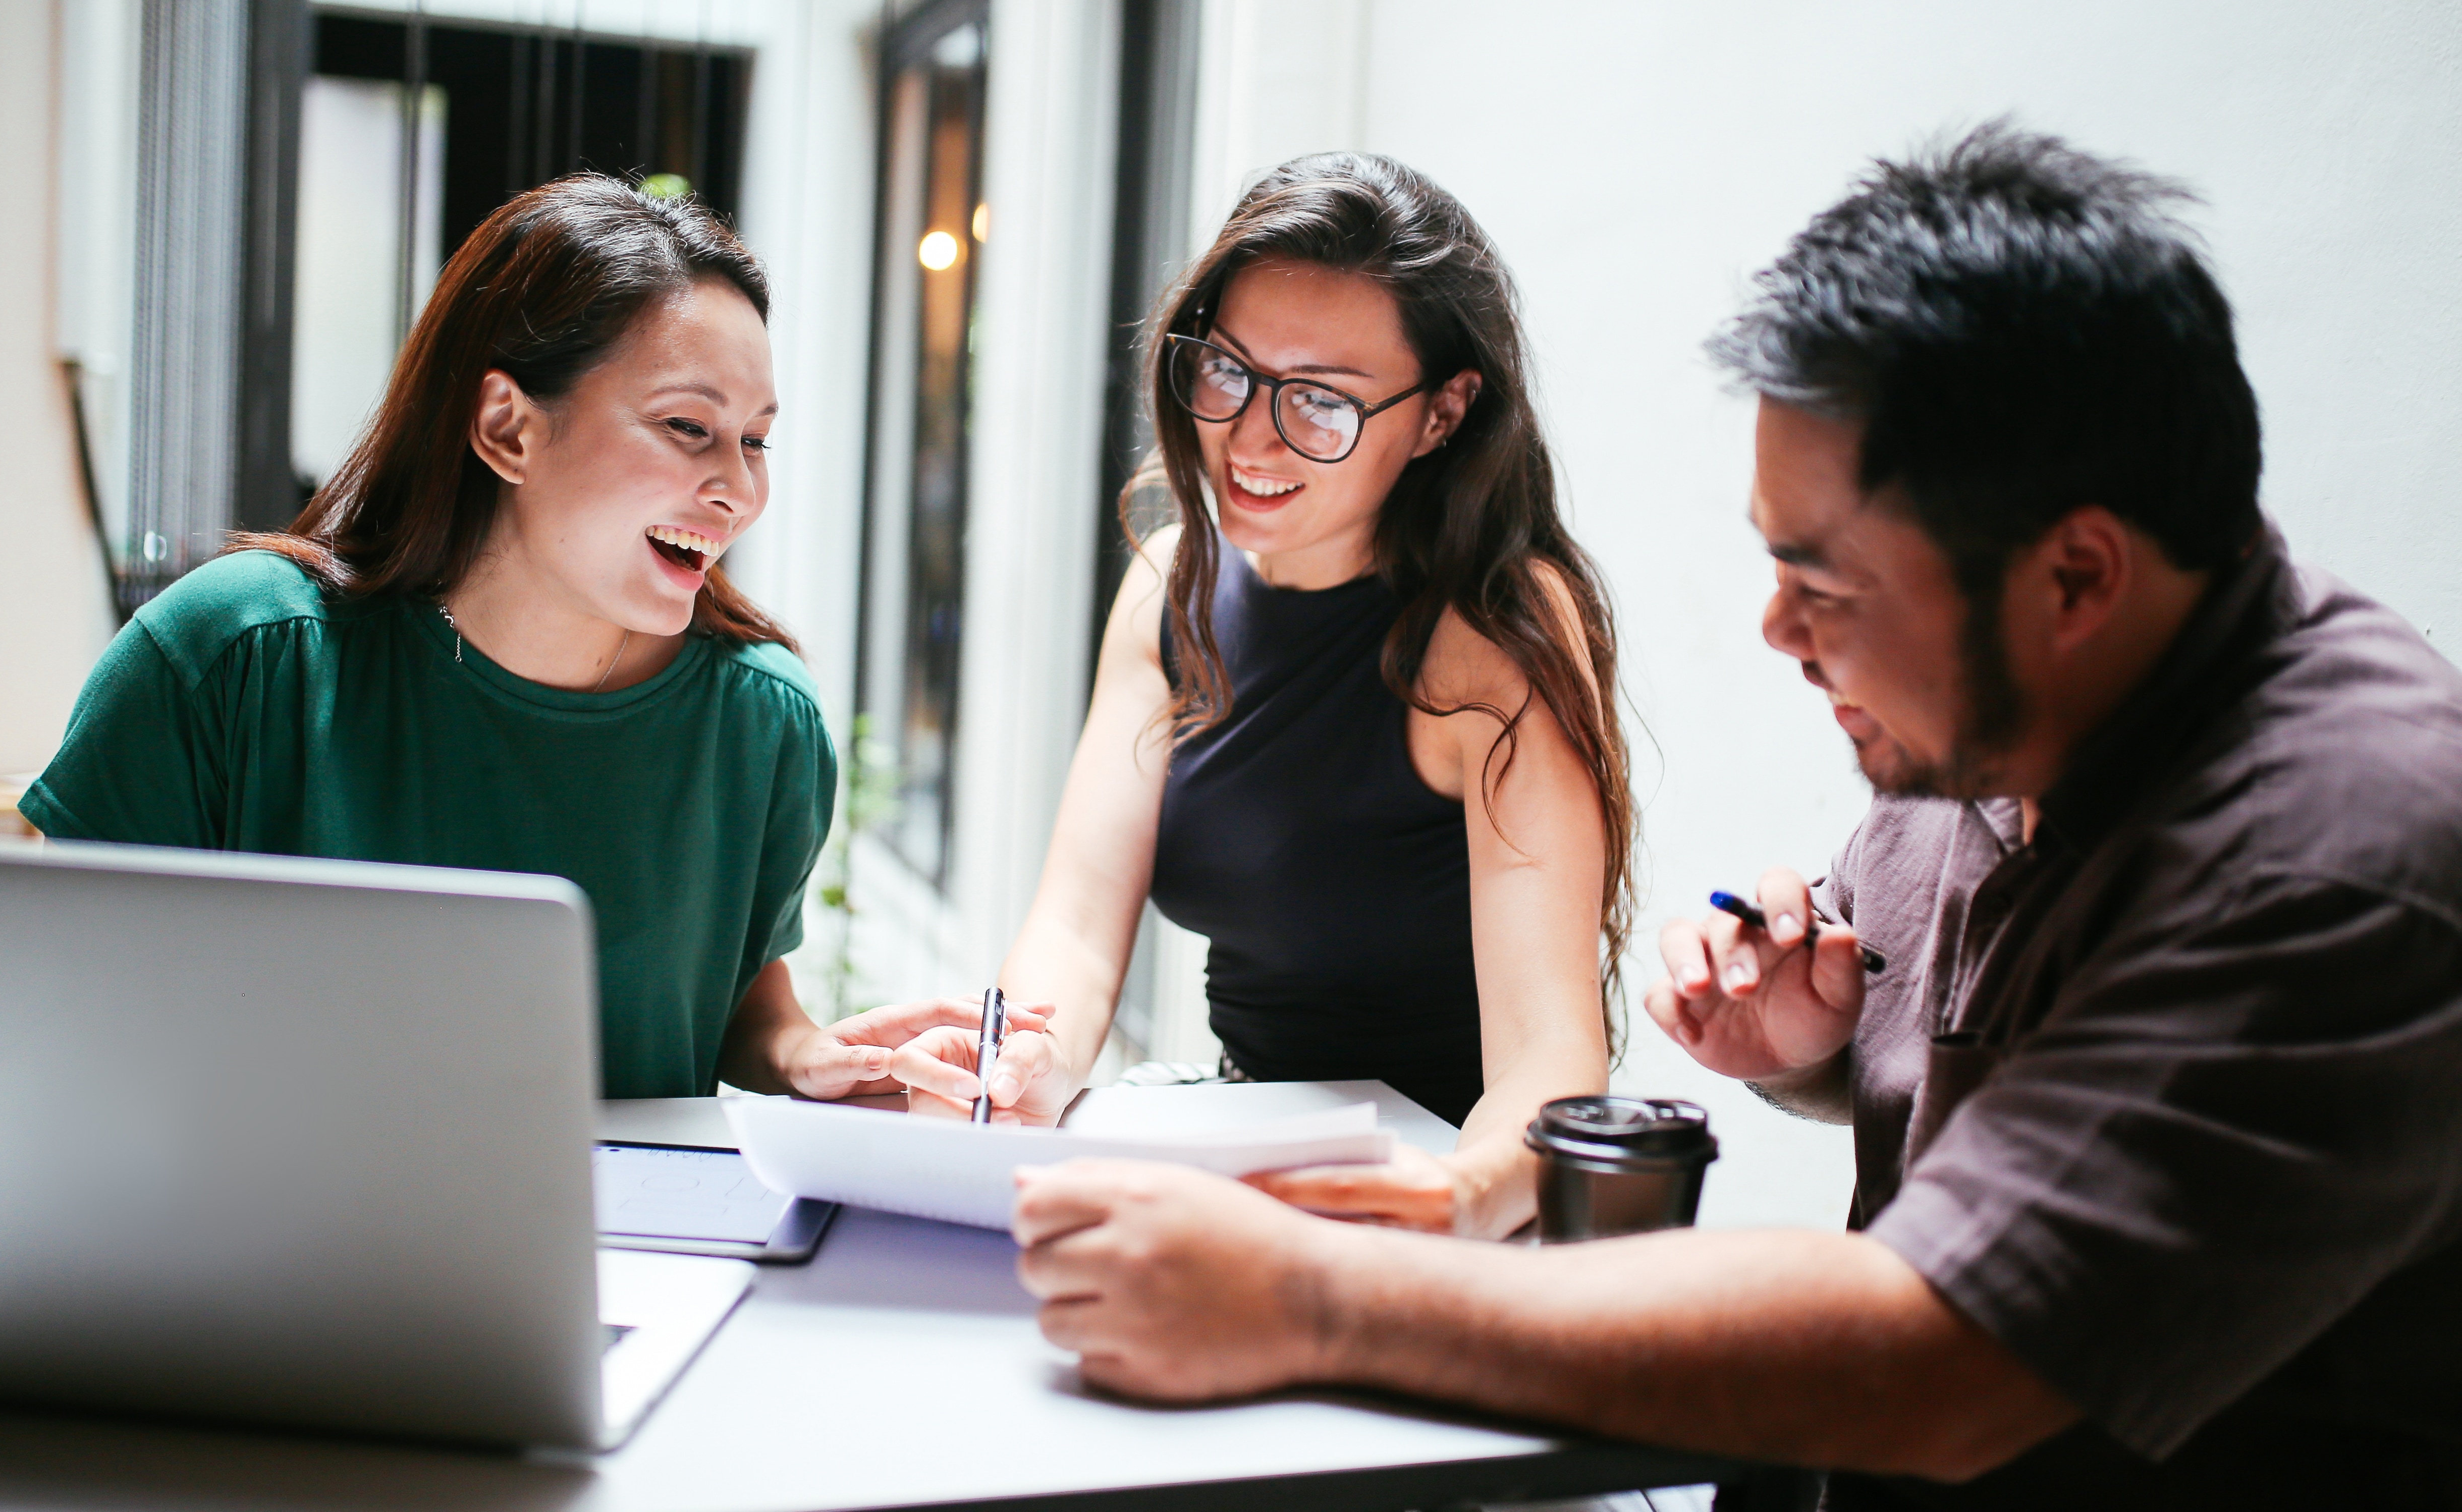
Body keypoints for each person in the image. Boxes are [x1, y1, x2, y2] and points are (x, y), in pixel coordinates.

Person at [1005, 126, 2462, 1506]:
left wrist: (1310, 1295)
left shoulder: (2343, 855)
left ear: (2073, 577)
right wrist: (1818, 1052)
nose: (1774, 630)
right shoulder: (2014, 721)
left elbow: (1946, 1356)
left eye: (1824, 586)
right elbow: (1971, 1074)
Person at [21, 175, 1027, 1101]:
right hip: (236, 1268)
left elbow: (737, 1012)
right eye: (689, 427)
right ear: (507, 426)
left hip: (638, 1278)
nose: (740, 488)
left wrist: (810, 1054)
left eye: (756, 438)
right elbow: (38, 1010)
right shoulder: (230, 659)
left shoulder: (760, 722)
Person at [893, 152, 1634, 1239]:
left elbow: (1550, 1054)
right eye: (1227, 371)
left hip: (1462, 1182)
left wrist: (1443, 1205)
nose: (1248, 439)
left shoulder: (1490, 636)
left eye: (1320, 404)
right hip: (1253, 1151)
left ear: (1441, 414)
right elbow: (1078, 927)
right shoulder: (1170, 585)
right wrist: (1023, 1061)